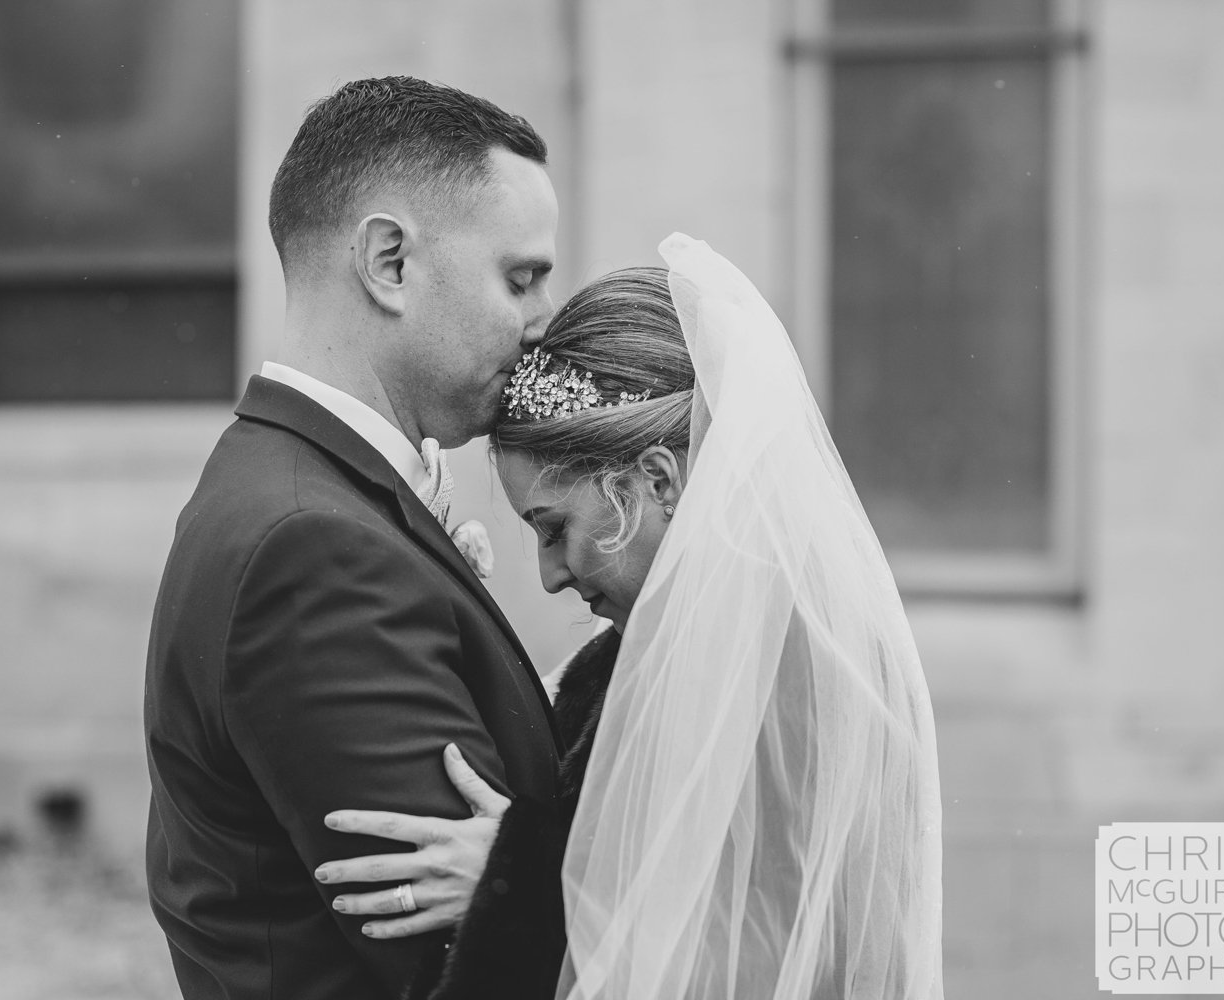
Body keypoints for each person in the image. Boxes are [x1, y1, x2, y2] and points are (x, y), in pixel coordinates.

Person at [318, 235, 946, 999]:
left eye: (555, 529)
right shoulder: (677, 645)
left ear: (656, 480)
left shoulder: (788, 672)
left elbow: (750, 957)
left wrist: (510, 883)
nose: (549, 575)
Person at [143, 76, 565, 1000]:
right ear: (389, 262)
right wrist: (549, 874)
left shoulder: (299, 492)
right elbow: (465, 966)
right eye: (521, 278)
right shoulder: (314, 551)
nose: (542, 323)